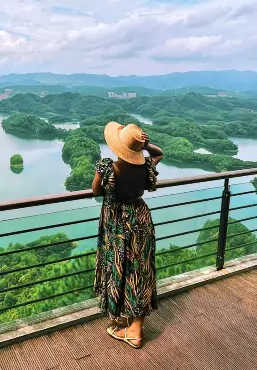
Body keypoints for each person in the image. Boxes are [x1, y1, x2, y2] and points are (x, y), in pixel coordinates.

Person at [92, 121, 164, 349]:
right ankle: (133, 322)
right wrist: (146, 145)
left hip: (116, 222)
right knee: (140, 270)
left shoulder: (109, 167)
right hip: (140, 218)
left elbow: (96, 191)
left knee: (119, 267)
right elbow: (159, 153)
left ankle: (134, 332)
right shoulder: (145, 167)